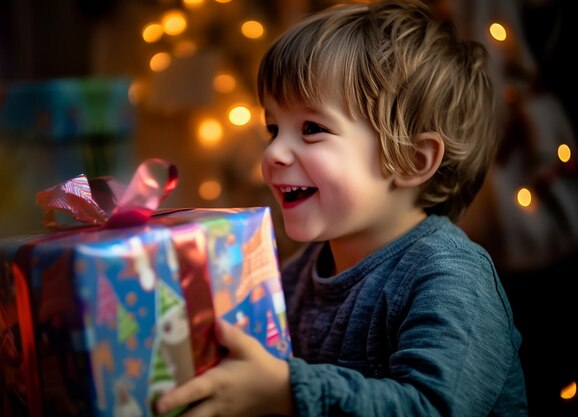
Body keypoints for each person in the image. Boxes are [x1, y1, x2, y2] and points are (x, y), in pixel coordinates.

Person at [155, 0, 528, 416]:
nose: (274, 152)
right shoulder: (295, 277)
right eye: (273, 128)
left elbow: (430, 407)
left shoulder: (452, 277)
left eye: (312, 129)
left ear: (413, 161)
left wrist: (287, 392)